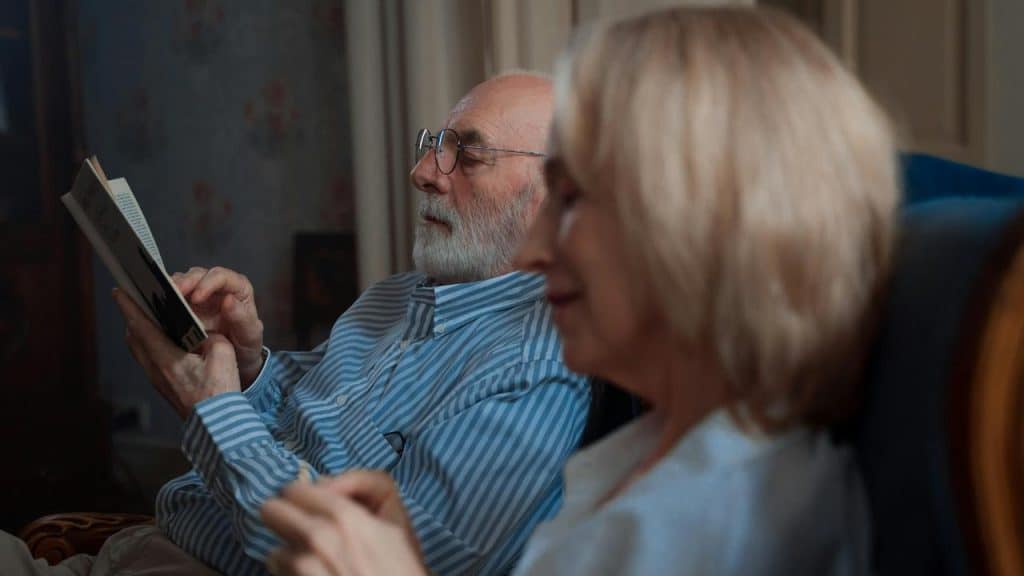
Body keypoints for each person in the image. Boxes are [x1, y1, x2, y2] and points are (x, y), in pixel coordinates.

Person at [259, 6, 898, 576]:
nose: (535, 254)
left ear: (692, 227)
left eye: (569, 201)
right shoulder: (646, 456)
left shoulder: (725, 524)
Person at [0, 73, 590, 576]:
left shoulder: (540, 369)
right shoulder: (399, 295)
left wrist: (210, 411)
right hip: (139, 548)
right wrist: (250, 361)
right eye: (434, 143)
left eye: (468, 152)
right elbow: (304, 415)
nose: (422, 172)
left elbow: (376, 563)